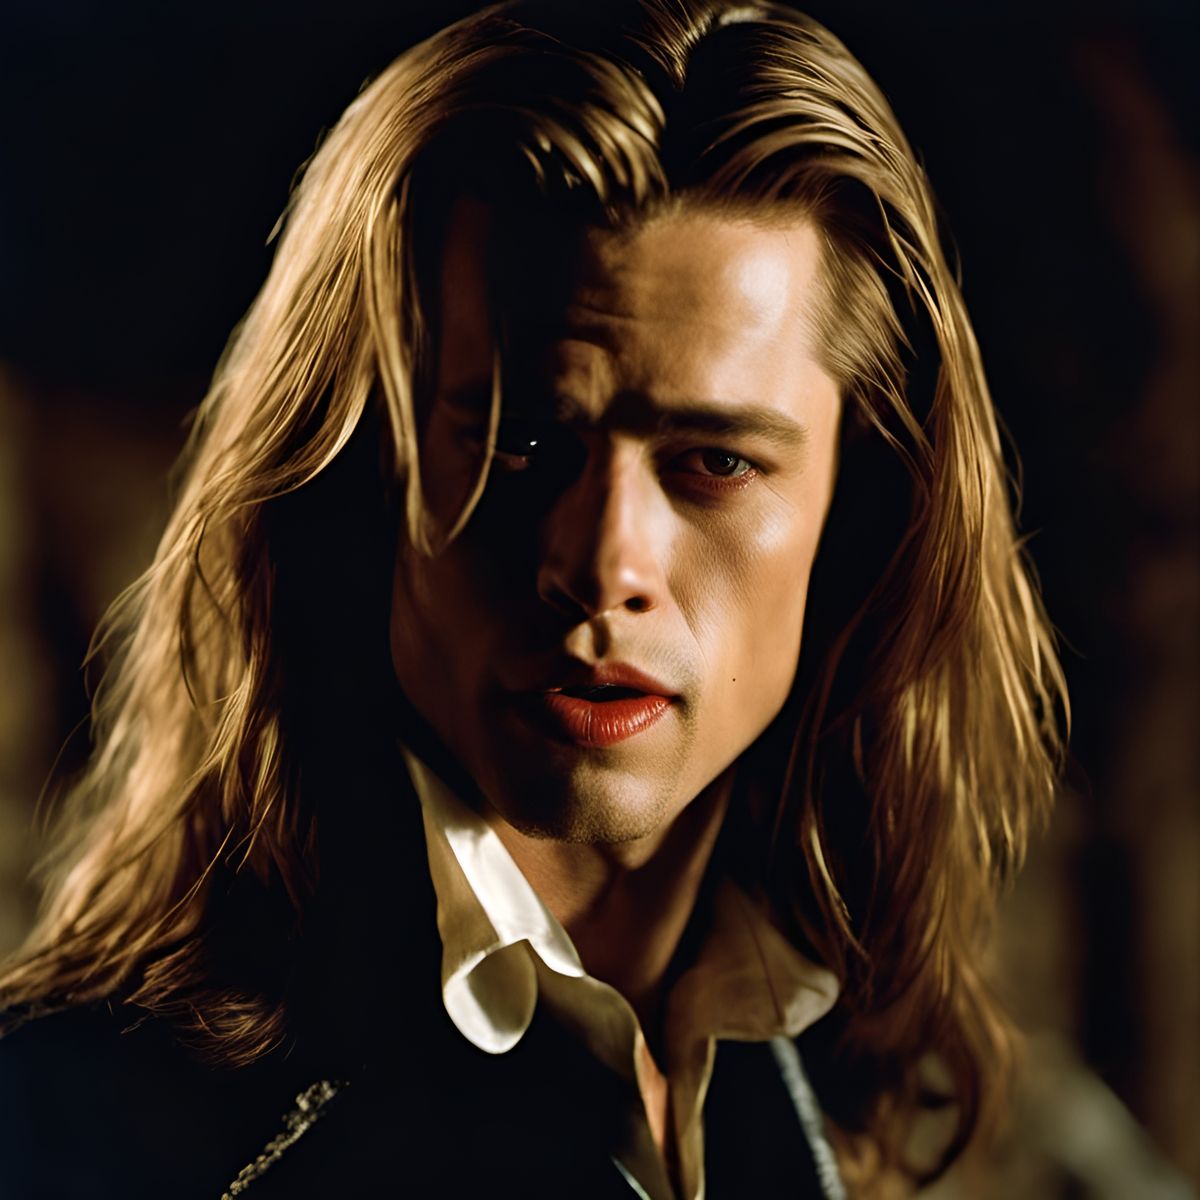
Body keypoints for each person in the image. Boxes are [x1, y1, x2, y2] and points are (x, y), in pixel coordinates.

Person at [0, 2, 1067, 1197]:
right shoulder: (75, 1130)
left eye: (714, 461)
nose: (604, 564)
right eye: (521, 443)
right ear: (363, 474)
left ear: (857, 513)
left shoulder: (882, 1087)